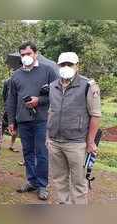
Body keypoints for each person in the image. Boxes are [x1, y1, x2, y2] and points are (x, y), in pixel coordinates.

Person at [6, 41, 58, 200]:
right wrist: (10, 121)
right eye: (22, 55)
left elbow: (57, 93)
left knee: (41, 152)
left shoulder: (48, 71)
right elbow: (11, 99)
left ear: (35, 54)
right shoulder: (16, 75)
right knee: (27, 151)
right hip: (23, 119)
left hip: (41, 119)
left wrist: (39, 100)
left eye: (28, 54)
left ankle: (42, 185)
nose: (25, 57)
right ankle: (31, 181)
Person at [48, 52, 101, 204]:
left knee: (79, 182)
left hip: (76, 143)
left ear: (77, 66)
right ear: (58, 66)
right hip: (55, 141)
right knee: (59, 179)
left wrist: (91, 141)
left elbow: (96, 115)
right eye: (62, 64)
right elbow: (51, 111)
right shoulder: (53, 86)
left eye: (69, 64)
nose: (66, 67)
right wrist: (48, 136)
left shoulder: (88, 86)